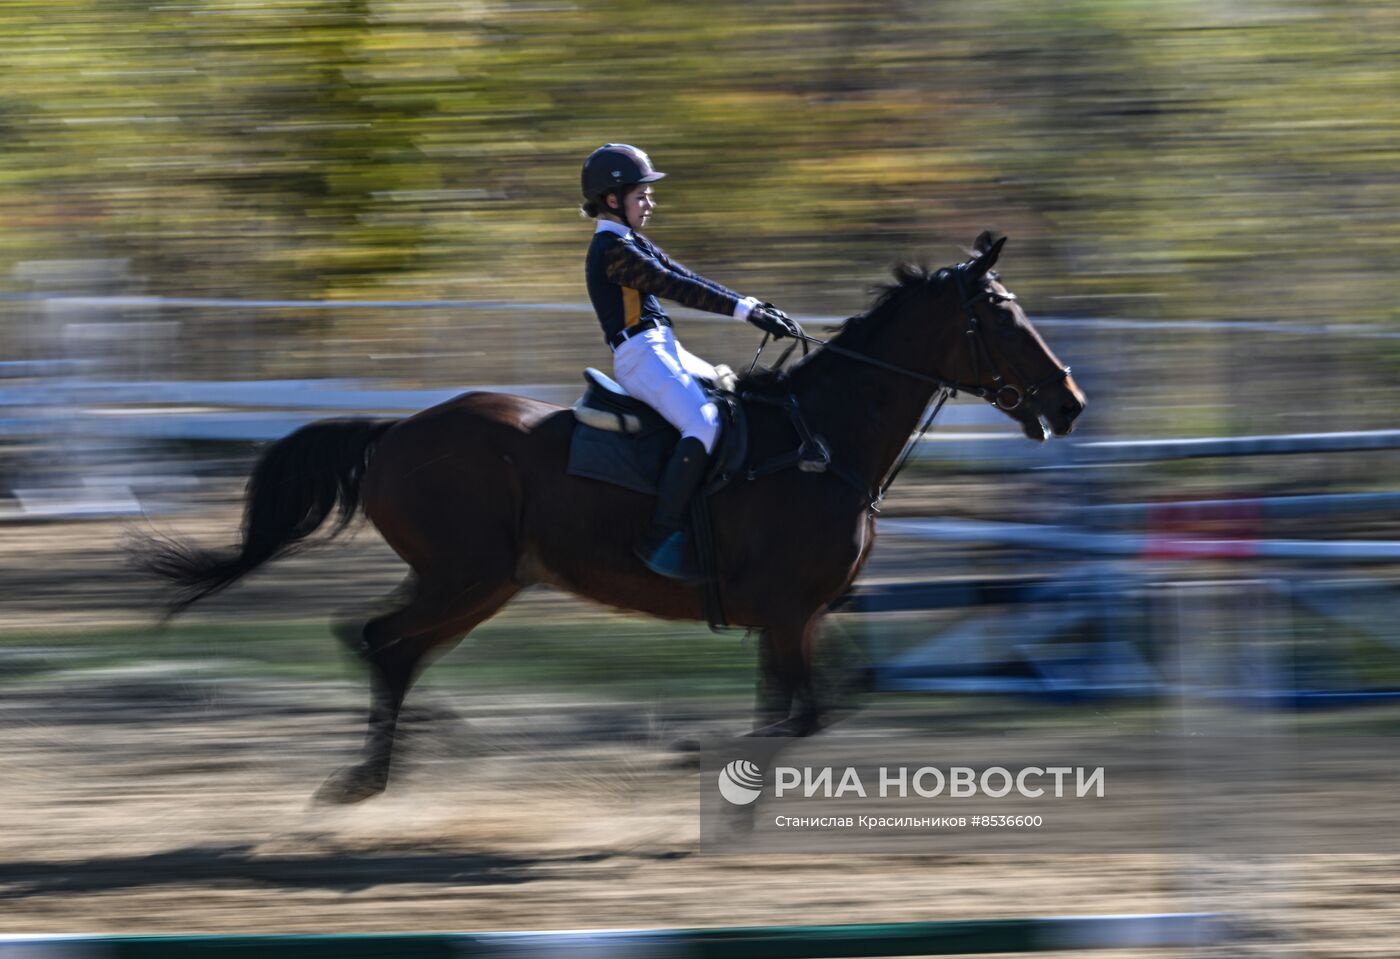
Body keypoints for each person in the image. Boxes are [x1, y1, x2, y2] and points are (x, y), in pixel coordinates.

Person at [581, 143, 800, 580]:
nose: (650, 203)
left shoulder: (629, 241)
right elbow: (673, 287)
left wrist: (753, 305)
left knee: (735, 398)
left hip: (664, 348)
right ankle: (661, 535)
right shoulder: (612, 249)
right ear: (612, 200)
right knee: (704, 423)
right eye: (641, 195)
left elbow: (685, 276)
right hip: (641, 356)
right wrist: (745, 313)